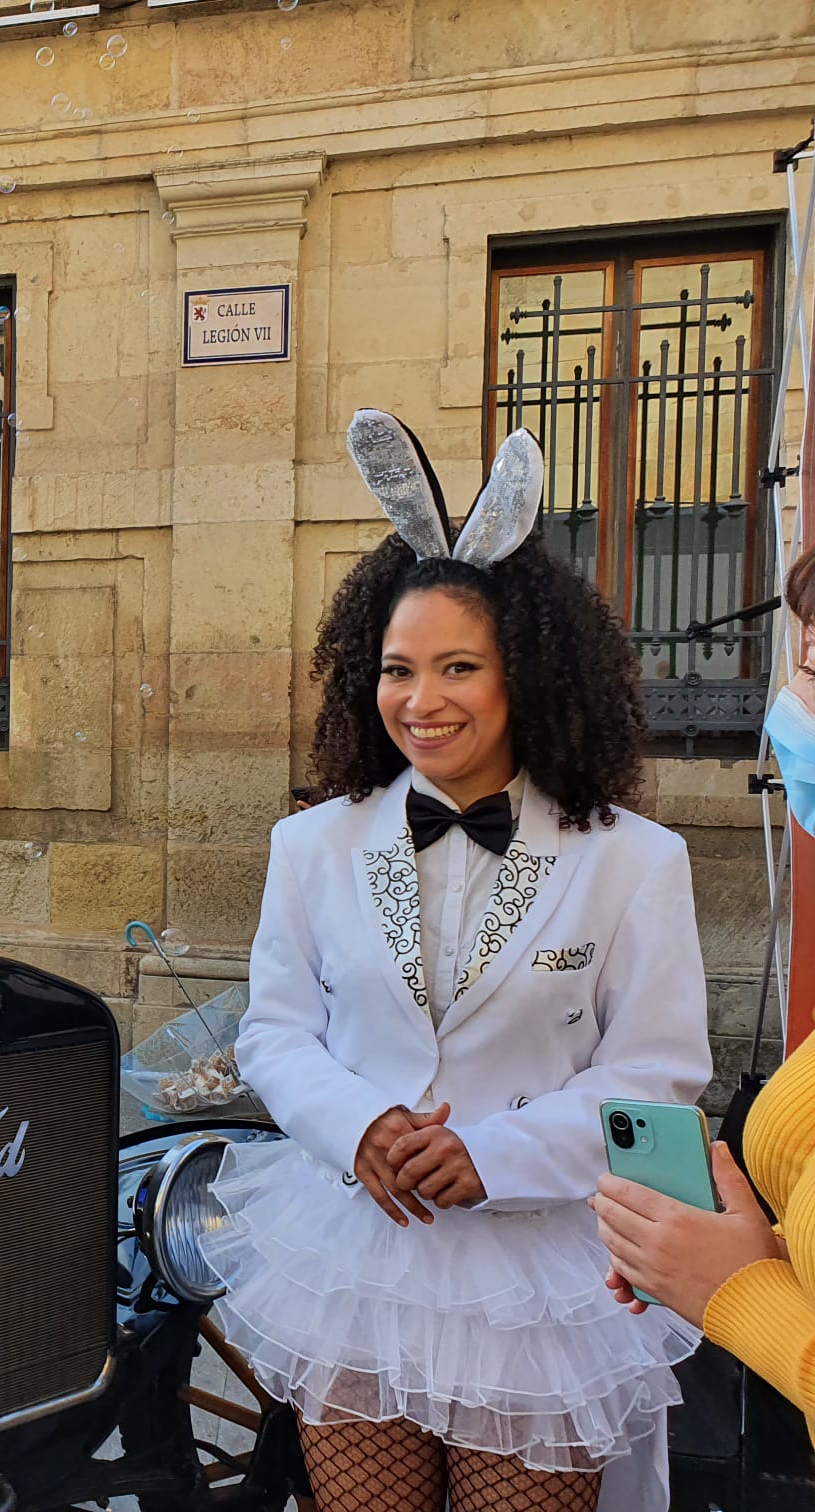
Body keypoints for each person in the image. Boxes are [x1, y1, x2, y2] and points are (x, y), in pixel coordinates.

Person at [196, 411, 713, 1512]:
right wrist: (360, 1126)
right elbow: (276, 1033)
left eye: (458, 667)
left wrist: (495, 1152)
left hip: (541, 1265)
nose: (421, 703)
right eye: (397, 670)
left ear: (525, 674)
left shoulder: (635, 862)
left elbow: (658, 1078)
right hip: (357, 1254)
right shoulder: (312, 844)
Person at [591, 545, 815, 1448]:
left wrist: (740, 1295)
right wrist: (756, 1252)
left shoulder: (638, 857)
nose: (794, 707)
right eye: (805, 656)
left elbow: (652, 1056)